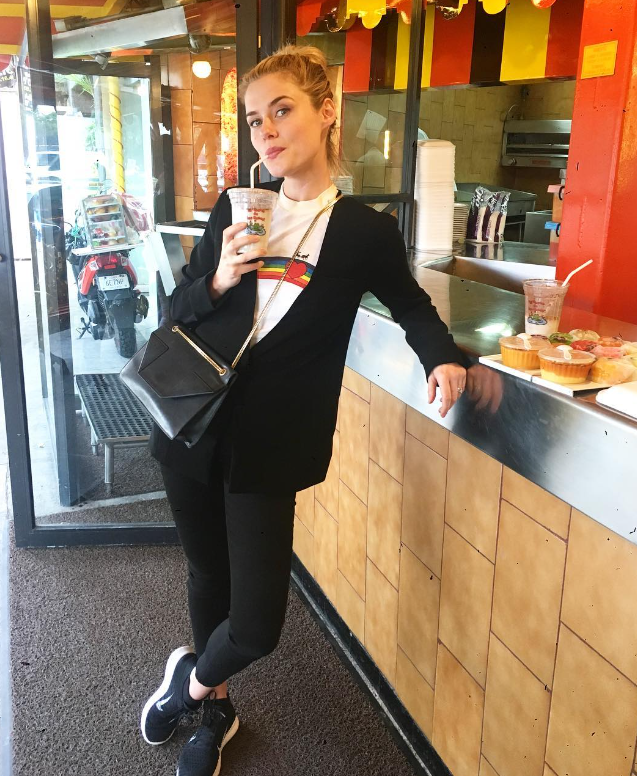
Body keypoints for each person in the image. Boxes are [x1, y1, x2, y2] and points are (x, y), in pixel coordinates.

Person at [140, 44, 468, 776]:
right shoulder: (236, 207)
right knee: (207, 576)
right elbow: (177, 308)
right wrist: (218, 279)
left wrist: (442, 357)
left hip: (271, 443)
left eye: (281, 110)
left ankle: (188, 684)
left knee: (256, 623)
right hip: (192, 424)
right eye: (255, 120)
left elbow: (411, 304)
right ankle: (217, 710)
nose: (266, 131)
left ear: (326, 111)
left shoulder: (363, 232)